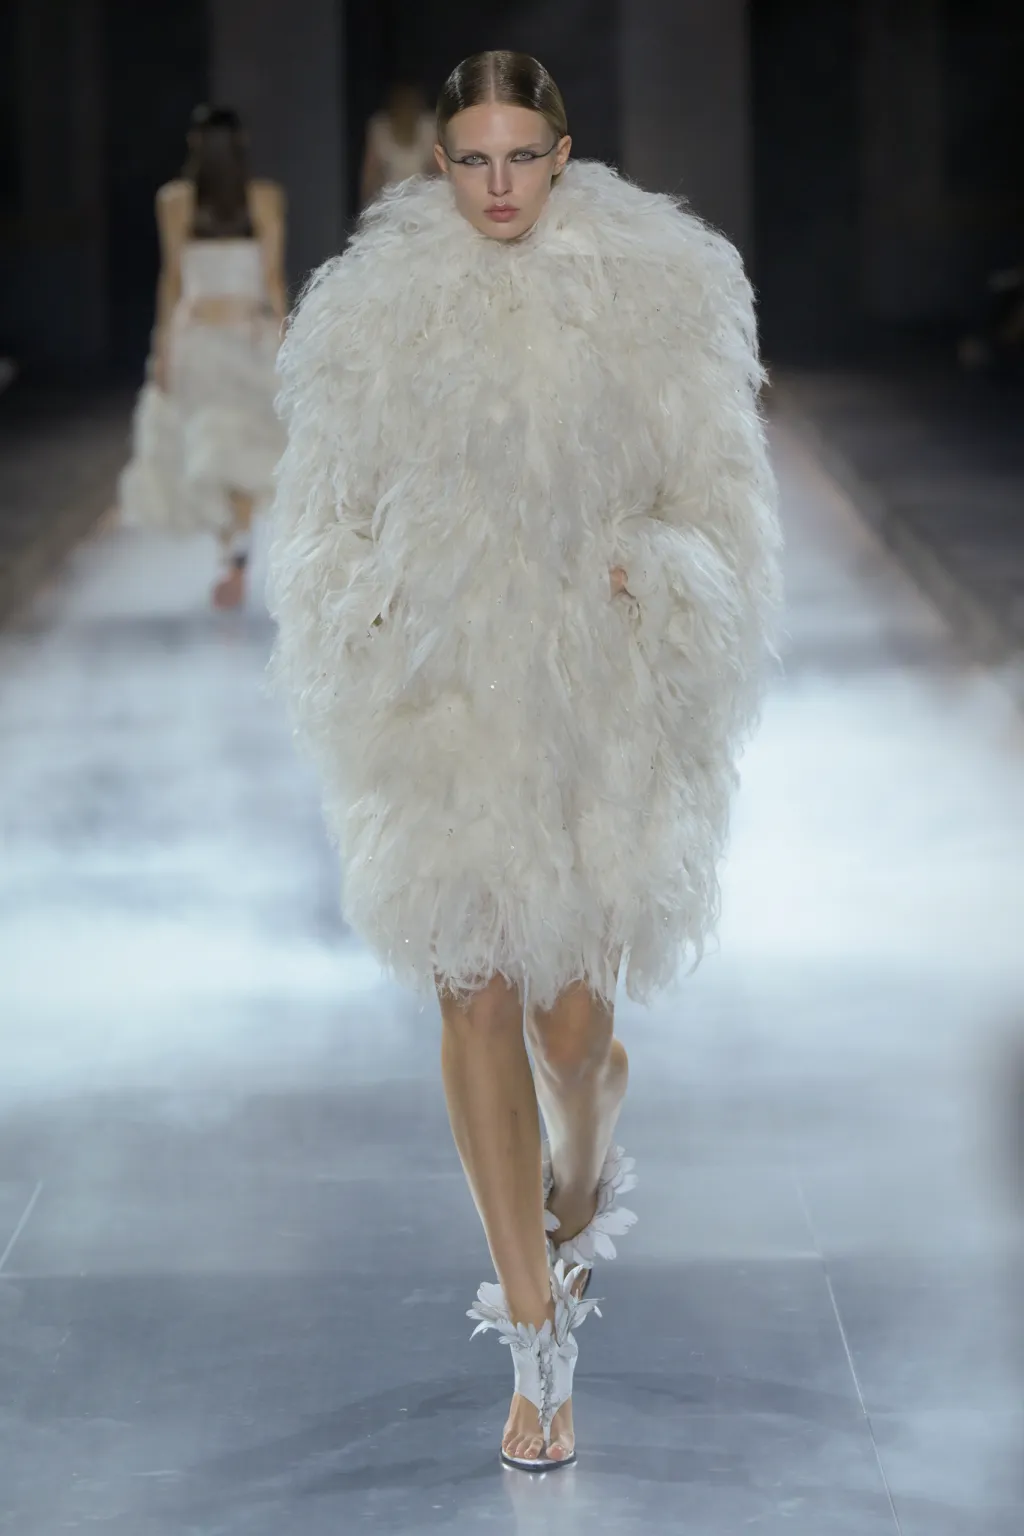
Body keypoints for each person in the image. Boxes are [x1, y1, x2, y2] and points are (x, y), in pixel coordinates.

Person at [268, 51, 781, 1471]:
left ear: (562, 153)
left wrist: (654, 567)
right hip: (442, 705)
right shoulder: (373, 312)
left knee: (571, 1032)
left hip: (593, 705)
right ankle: (535, 1334)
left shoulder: (657, 292)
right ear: (440, 164)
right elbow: (321, 512)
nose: (498, 188)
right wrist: (367, 594)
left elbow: (721, 507)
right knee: (474, 993)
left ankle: (584, 1149)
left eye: (520, 158)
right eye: (471, 161)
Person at [118, 105, 286, 609]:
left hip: (200, 343)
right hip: (248, 339)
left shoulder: (175, 200)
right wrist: (286, 343)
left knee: (216, 451)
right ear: (242, 142)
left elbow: (171, 278)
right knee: (239, 452)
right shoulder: (266, 197)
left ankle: (231, 553)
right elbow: (272, 280)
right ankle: (235, 552)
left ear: (194, 143)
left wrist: (163, 346)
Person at [359, 82, 438, 208]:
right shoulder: (379, 129)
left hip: (423, 201)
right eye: (402, 104)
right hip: (388, 203)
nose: (406, 109)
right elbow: (370, 177)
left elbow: (439, 172)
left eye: (411, 104)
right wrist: (368, 207)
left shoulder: (429, 127)